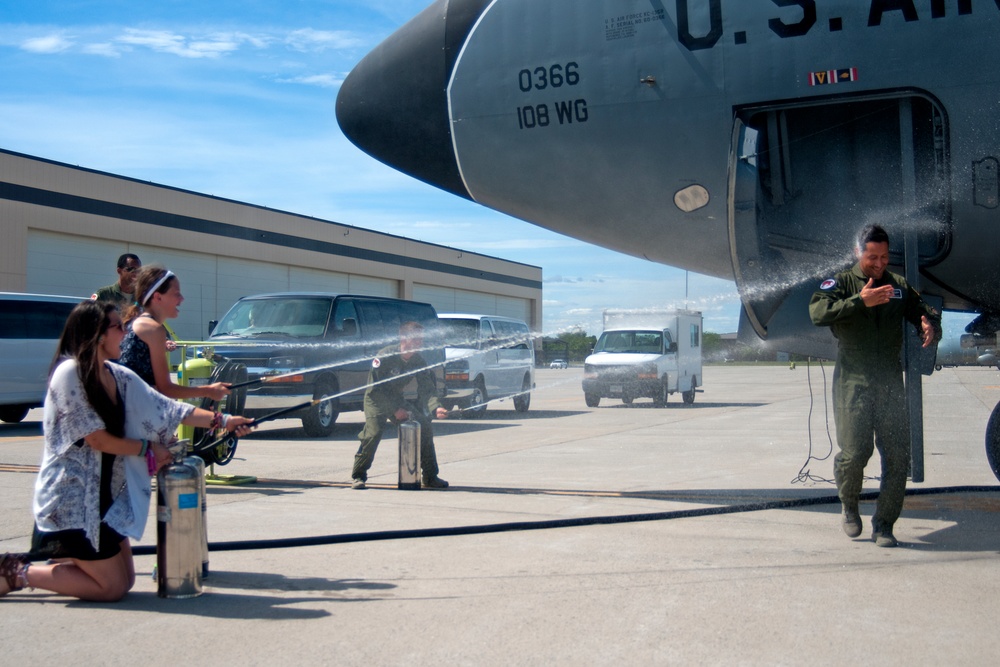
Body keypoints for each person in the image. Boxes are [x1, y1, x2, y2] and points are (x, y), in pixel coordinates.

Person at [0, 301, 253, 601]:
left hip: (104, 498)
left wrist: (224, 421)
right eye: (118, 326)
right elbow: (98, 440)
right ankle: (15, 573)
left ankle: (70, 562)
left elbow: (167, 408)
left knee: (127, 580)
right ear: (97, 335)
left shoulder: (117, 375)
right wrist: (149, 447)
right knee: (112, 587)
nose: (125, 332)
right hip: (73, 500)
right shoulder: (69, 373)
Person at [808, 224, 940, 548]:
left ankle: (884, 525)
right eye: (872, 257)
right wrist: (858, 302)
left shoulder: (898, 286)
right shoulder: (839, 283)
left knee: (898, 457)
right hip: (853, 381)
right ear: (858, 253)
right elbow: (817, 312)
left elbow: (921, 309)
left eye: (883, 257)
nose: (879, 264)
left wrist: (928, 321)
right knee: (855, 453)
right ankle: (849, 504)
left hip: (890, 382)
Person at [352, 321, 450, 490]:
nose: (420, 343)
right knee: (373, 434)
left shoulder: (418, 360)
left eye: (421, 339)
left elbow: (427, 388)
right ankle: (358, 475)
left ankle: (430, 476)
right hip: (376, 401)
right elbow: (375, 389)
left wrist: (436, 407)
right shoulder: (385, 356)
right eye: (416, 339)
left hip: (397, 399)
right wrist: (393, 410)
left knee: (424, 427)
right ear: (403, 338)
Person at [118, 265, 229, 402]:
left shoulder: (138, 323)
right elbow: (166, 389)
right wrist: (209, 391)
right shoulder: (153, 329)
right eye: (176, 293)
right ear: (158, 297)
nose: (181, 299)